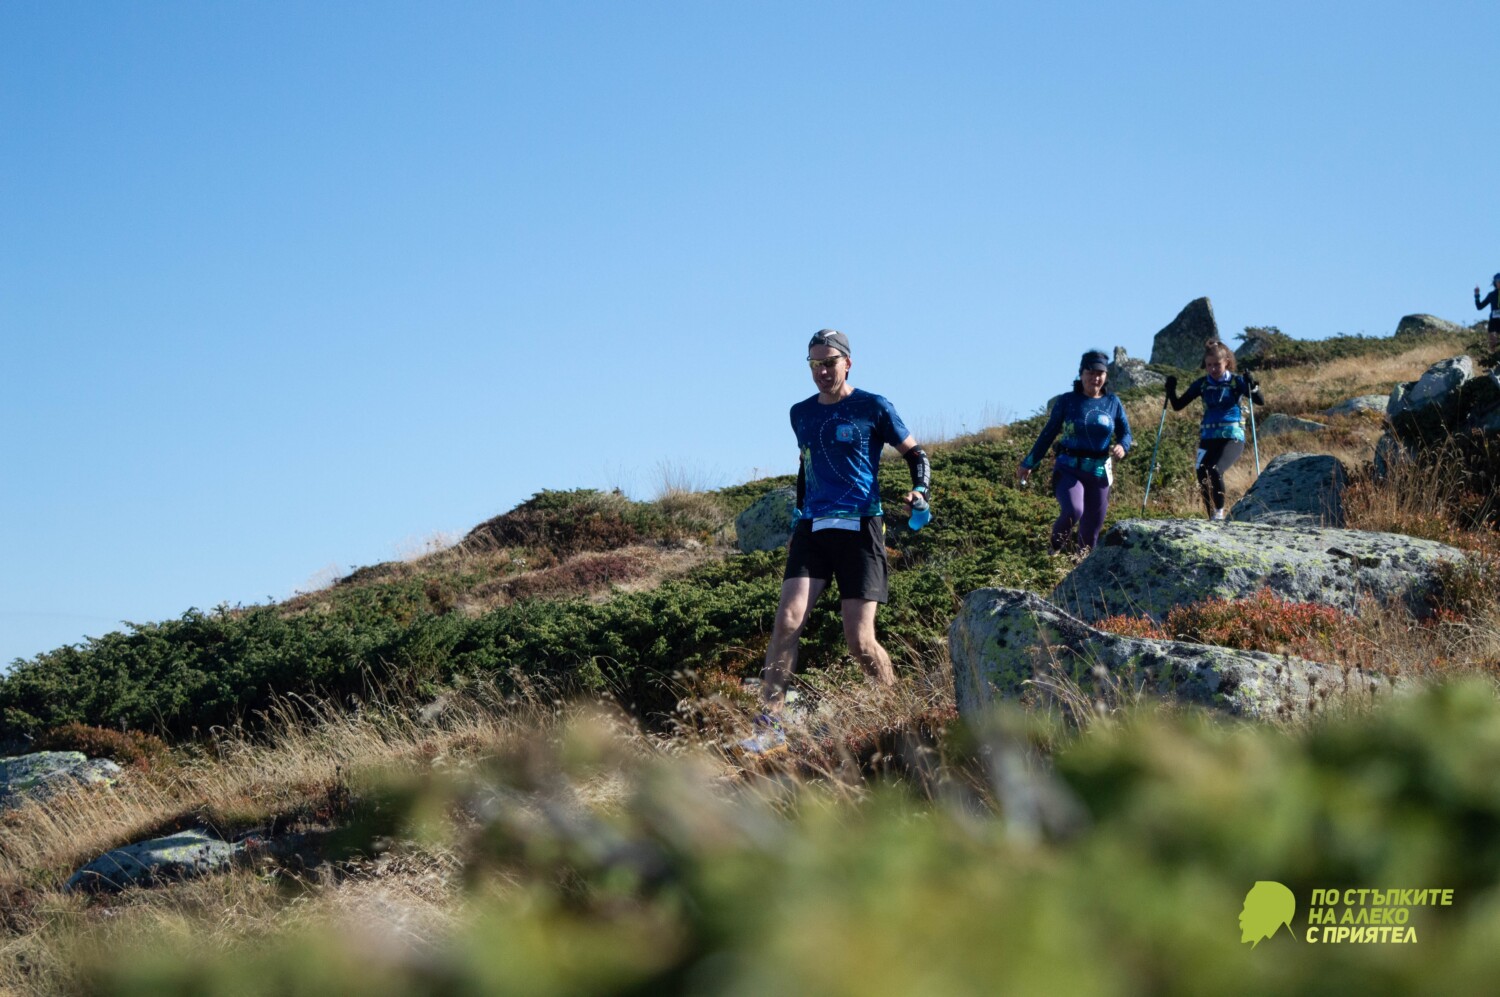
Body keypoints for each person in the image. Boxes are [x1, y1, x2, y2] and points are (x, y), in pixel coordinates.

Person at [738, 329, 930, 756]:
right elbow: (807, 466)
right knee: (787, 620)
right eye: (814, 365)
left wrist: (920, 492)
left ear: (848, 362)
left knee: (859, 641)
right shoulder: (800, 413)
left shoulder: (874, 406)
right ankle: (770, 725)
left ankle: (896, 714)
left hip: (861, 527)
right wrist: (797, 518)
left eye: (829, 363)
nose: (822, 372)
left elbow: (917, 455)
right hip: (813, 528)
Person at [1016, 350, 1132, 553]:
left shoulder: (1112, 402)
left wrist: (1123, 446)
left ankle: (1079, 577)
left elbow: (1126, 434)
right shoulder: (1067, 401)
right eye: (1091, 372)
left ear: (1106, 376)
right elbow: (1048, 434)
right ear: (1081, 374)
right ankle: (1053, 550)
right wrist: (1029, 463)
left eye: (1100, 373)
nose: (1095, 378)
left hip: (1099, 473)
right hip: (1068, 469)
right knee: (1073, 510)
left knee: (1090, 535)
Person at [1165, 339, 1265, 521]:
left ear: (1226, 361)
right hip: (1208, 437)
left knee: (1214, 469)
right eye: (1209, 365)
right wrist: (1171, 390)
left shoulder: (1236, 382)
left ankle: (1219, 513)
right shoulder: (1202, 384)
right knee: (1202, 473)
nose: (1212, 369)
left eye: (1217, 365)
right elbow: (1178, 405)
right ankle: (1211, 514)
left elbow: (1259, 400)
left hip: (1232, 436)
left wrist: (1253, 385)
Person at [1474, 274, 1500, 351]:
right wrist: (1477, 295)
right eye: (1498, 281)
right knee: (1492, 342)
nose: (1499, 283)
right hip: (1493, 321)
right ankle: (1494, 360)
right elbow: (1479, 307)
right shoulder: (1491, 295)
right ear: (1495, 283)